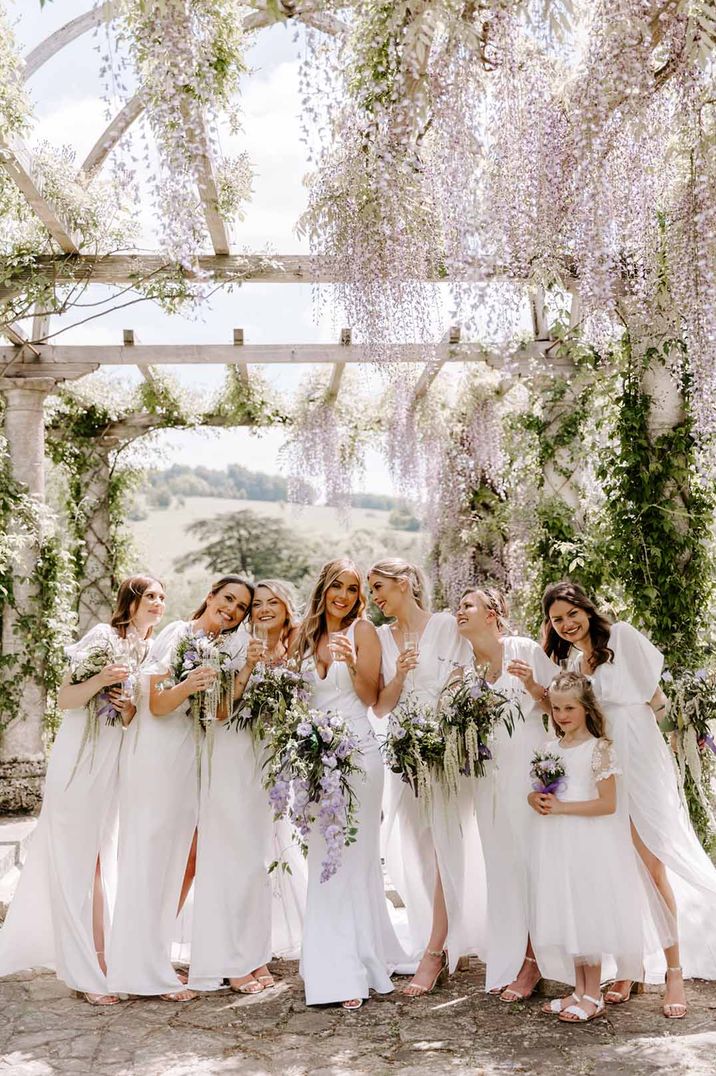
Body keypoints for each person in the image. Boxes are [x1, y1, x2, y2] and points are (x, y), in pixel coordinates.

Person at [542, 579, 716, 1017]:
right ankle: (630, 967)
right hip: (604, 763)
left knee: (652, 863)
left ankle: (674, 973)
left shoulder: (622, 637)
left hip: (639, 755)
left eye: (570, 613)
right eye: (556, 620)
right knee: (617, 866)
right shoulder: (576, 665)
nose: (566, 624)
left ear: (586, 608)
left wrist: (679, 735)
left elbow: (655, 699)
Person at [0, 576, 165, 1005]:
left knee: (98, 860)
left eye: (163, 598)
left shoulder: (149, 651)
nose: (158, 604)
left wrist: (130, 709)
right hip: (78, 760)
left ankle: (102, 959)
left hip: (113, 764)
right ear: (130, 602)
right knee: (78, 862)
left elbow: (132, 721)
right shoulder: (103, 637)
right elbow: (65, 699)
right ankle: (83, 971)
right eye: (151, 596)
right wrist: (101, 680)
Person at [106, 575, 252, 1001]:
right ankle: (143, 971)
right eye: (227, 599)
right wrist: (189, 686)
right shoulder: (178, 633)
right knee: (149, 855)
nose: (232, 609)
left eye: (240, 607)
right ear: (209, 596)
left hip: (186, 756)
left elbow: (220, 712)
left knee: (169, 860)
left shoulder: (223, 650)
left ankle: (150, 959)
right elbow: (156, 701)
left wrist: (242, 671)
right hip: (156, 753)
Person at [528, 672, 675, 1024]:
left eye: (570, 708)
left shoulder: (599, 749)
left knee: (585, 912)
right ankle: (579, 990)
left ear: (586, 708)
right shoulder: (550, 749)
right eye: (557, 708)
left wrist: (562, 808)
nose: (562, 715)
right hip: (557, 843)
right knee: (568, 911)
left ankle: (593, 994)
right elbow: (542, 790)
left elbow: (608, 804)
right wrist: (536, 798)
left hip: (588, 843)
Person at [294, 558, 407, 1010]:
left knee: (355, 856)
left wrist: (353, 662)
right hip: (314, 754)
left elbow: (374, 700)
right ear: (323, 587)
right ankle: (325, 961)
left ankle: (355, 964)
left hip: (358, 753)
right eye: (337, 586)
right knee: (323, 855)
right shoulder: (302, 633)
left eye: (353, 588)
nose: (343, 595)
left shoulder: (363, 632)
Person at [369, 559, 485, 997]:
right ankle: (438, 934)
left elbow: (463, 682)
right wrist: (398, 672)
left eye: (380, 587)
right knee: (417, 849)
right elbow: (380, 707)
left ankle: (435, 952)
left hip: (446, 750)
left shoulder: (445, 625)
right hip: (405, 750)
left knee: (446, 844)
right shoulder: (379, 637)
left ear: (404, 584)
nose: (375, 597)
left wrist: (441, 733)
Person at [189, 579, 306, 995]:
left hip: (265, 766)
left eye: (273, 603)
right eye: (256, 604)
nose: (263, 609)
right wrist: (248, 667)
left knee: (256, 862)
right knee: (228, 859)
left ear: (287, 609)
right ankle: (228, 959)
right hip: (230, 759)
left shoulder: (295, 652)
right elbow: (218, 710)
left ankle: (255, 954)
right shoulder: (234, 645)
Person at [455, 587, 557, 1000]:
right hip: (486, 780)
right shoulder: (463, 668)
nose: (459, 611)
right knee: (502, 868)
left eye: (467, 605)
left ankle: (535, 962)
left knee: (534, 864)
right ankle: (512, 956)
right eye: (458, 606)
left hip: (527, 774)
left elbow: (565, 705)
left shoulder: (524, 649)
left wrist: (534, 685)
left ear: (494, 612)